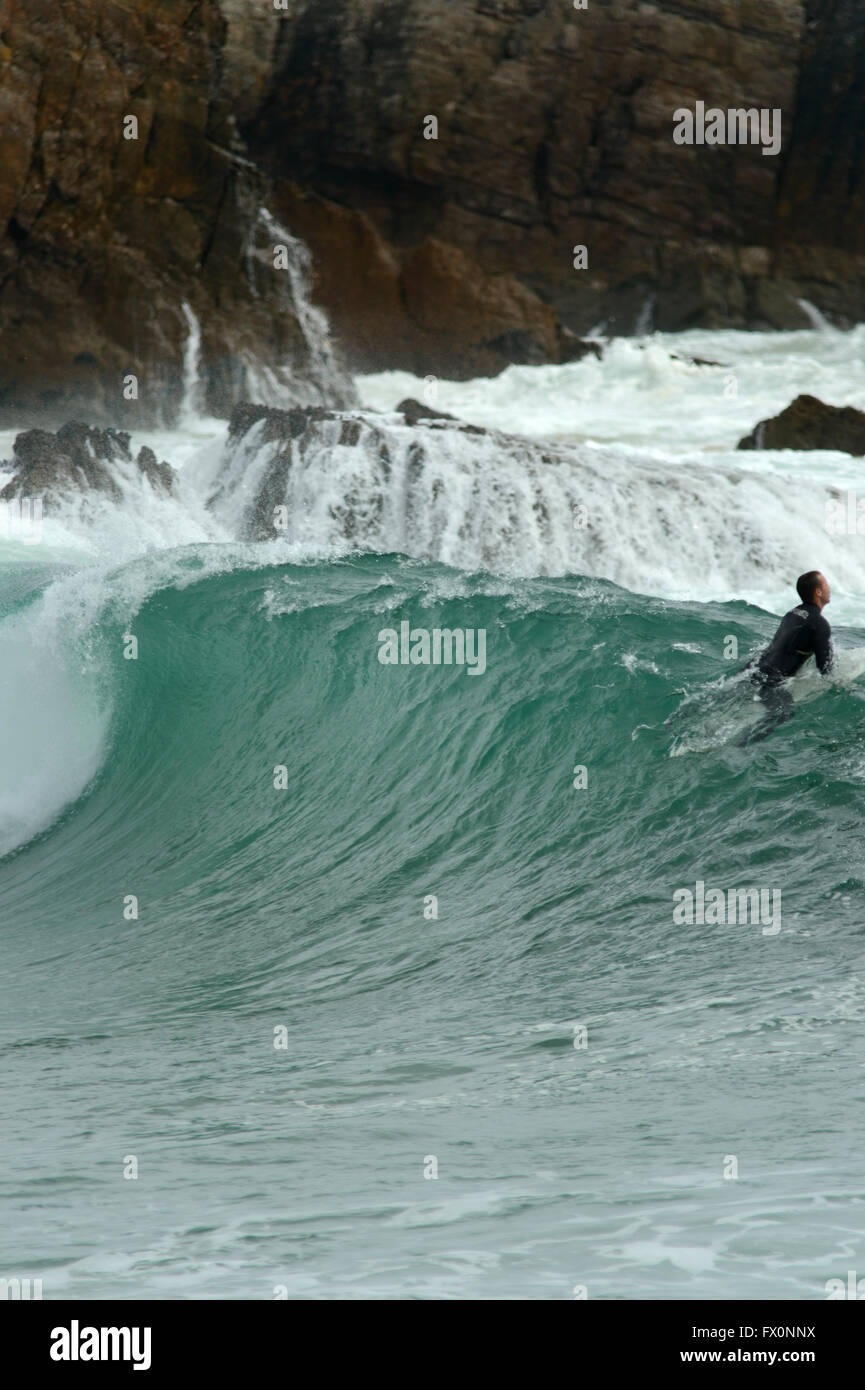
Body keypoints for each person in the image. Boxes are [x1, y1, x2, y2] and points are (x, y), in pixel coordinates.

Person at [740, 571, 834, 744]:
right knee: (784, 713)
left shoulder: (793, 613)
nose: (829, 587)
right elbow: (825, 669)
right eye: (826, 584)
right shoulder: (819, 624)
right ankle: (743, 744)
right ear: (818, 592)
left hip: (755, 667)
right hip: (773, 680)